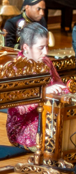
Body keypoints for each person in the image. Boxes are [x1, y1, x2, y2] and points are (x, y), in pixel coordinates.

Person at [6, 23, 67, 151]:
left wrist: (63, 90)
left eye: (47, 47)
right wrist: (43, 93)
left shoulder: (46, 61)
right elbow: (20, 107)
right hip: (24, 125)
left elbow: (59, 84)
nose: (46, 52)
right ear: (26, 47)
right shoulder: (16, 68)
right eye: (41, 48)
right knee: (56, 133)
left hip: (48, 115)